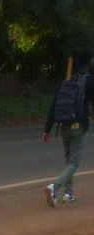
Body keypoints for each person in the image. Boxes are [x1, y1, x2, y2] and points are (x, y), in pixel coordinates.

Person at [42, 51, 94, 207]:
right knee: (74, 163)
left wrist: (47, 129)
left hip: (63, 126)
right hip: (78, 127)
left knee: (68, 161)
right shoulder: (89, 81)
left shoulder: (67, 80)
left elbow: (54, 105)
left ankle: (68, 193)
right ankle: (54, 187)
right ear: (89, 63)